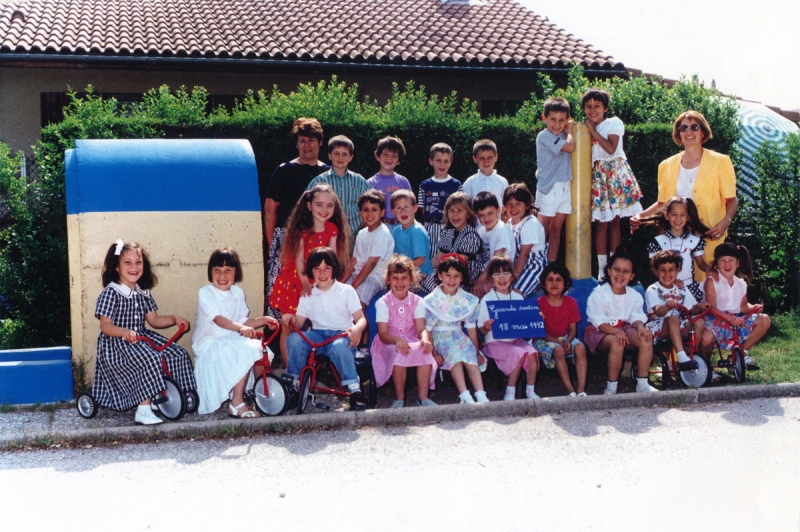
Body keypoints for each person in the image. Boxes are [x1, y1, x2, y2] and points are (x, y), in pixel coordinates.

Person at [93, 240, 196, 425]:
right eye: (127, 263)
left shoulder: (143, 291)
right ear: (116, 267)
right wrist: (124, 331)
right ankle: (143, 409)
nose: (134, 267)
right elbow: (105, 326)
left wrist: (173, 318)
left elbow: (154, 320)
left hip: (141, 337)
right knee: (150, 358)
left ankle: (181, 395)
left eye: (138, 262)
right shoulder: (112, 292)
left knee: (176, 353)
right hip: (117, 343)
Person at [631, 110, 738, 272]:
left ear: (703, 132)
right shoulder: (666, 165)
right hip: (675, 239)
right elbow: (662, 203)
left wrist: (724, 224)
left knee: (708, 282)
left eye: (694, 127)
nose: (689, 132)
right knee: (677, 283)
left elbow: (732, 200)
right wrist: (640, 216)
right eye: (683, 128)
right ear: (678, 134)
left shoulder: (720, 161)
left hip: (710, 235)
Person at [268, 185, 349, 366]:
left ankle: (308, 371)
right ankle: (291, 371)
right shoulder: (302, 230)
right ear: (309, 205)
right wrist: (305, 280)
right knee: (289, 327)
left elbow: (332, 256)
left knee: (312, 326)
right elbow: (298, 260)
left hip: (316, 279)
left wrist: (331, 281)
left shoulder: (332, 229)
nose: (324, 210)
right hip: (295, 279)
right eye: (319, 205)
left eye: (329, 206)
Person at [192, 248, 279, 417]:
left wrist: (262, 320)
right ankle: (236, 403)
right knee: (244, 350)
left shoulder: (238, 293)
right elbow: (218, 319)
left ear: (235, 272)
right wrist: (240, 328)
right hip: (210, 343)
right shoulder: (206, 292)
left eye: (228, 271)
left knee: (261, 348)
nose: (222, 276)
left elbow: (243, 321)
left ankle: (259, 392)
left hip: (230, 339)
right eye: (217, 270)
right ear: (210, 272)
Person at [283, 247, 369, 411]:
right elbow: (299, 323)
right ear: (311, 271)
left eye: (326, 268)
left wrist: (358, 328)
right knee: (294, 339)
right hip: (317, 336)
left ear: (334, 269)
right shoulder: (308, 293)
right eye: (317, 269)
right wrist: (290, 318)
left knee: (339, 347)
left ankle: (354, 389)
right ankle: (293, 384)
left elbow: (361, 318)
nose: (322, 274)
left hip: (341, 334)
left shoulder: (346, 291)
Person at [263, 118, 329, 317]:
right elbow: (269, 210)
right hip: (288, 239)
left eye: (311, 140)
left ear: (320, 142)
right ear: (296, 143)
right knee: (284, 296)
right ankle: (277, 342)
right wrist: (272, 246)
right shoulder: (284, 171)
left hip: (320, 239)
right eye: (302, 140)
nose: (306, 145)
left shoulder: (328, 172)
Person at [582, 89, 643, 280]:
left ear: (605, 108)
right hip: (598, 178)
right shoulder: (584, 126)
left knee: (615, 223)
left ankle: (615, 267)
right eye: (588, 106)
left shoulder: (613, 123)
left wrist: (593, 132)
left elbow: (610, 149)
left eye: (597, 106)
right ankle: (602, 271)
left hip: (615, 176)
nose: (593, 110)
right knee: (601, 224)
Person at [584, 245, 657, 395]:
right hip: (600, 332)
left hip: (624, 329)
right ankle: (611, 387)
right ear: (609, 270)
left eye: (626, 272)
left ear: (632, 276)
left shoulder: (634, 295)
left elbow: (635, 317)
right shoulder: (598, 294)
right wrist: (617, 331)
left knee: (645, 338)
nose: (620, 275)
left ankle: (642, 384)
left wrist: (641, 327)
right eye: (616, 270)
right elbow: (599, 322)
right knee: (617, 341)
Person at [370, 255, 439, 408]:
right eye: (395, 278)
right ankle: (399, 398)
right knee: (399, 351)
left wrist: (425, 339)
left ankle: (423, 397)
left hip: (411, 337)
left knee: (424, 350)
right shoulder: (383, 302)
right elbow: (383, 334)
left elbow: (421, 328)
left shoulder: (417, 301)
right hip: (388, 340)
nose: (400, 282)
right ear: (388, 279)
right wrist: (397, 340)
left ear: (411, 279)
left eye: (404, 278)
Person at [423, 254, 488, 404]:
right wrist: (434, 351)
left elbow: (471, 327)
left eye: (456, 276)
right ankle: (464, 394)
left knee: (470, 358)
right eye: (448, 275)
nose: (452, 280)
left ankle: (480, 394)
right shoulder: (431, 300)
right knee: (456, 357)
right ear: (440, 276)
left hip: (459, 337)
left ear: (462, 278)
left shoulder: (467, 299)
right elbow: (427, 329)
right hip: (439, 339)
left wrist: (476, 351)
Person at [478, 256, 540, 401]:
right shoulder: (487, 299)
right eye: (497, 274)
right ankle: (510, 392)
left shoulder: (518, 298)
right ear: (491, 278)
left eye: (506, 273)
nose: (502, 278)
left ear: (512, 277)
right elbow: (481, 330)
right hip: (495, 342)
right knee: (518, 353)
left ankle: (530, 391)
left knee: (532, 353)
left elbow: (524, 325)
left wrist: (536, 319)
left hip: (515, 339)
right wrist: (486, 327)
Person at [701, 243, 770, 372]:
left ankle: (740, 353)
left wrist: (753, 307)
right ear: (717, 263)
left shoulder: (740, 283)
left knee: (764, 319)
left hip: (734, 320)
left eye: (731, 260)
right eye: (723, 260)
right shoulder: (712, 282)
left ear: (737, 263)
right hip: (715, 318)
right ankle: (706, 366)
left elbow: (743, 307)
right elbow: (710, 308)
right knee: (706, 339)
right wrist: (729, 319)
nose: (727, 264)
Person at [644, 250, 712, 373]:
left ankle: (689, 354)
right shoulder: (653, 289)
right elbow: (658, 312)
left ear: (677, 270)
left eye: (671, 269)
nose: (667, 274)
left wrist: (699, 306)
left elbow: (691, 309)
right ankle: (681, 357)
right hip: (659, 328)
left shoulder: (681, 288)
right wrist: (667, 306)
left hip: (679, 325)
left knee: (699, 323)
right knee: (673, 318)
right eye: (662, 270)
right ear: (656, 271)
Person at [342, 190, 395, 341]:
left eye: (374, 210)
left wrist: (352, 286)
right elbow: (354, 262)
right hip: (359, 273)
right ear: (360, 212)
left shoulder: (382, 233)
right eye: (365, 210)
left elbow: (371, 264)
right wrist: (341, 282)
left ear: (382, 212)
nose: (369, 214)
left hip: (375, 276)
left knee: (358, 303)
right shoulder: (362, 233)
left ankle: (363, 344)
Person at [642, 196, 711, 301]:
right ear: (666, 215)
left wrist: (709, 270)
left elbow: (700, 263)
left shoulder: (694, 240)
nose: (678, 219)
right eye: (674, 214)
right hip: (666, 288)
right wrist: (670, 280)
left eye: (682, 215)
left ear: (688, 217)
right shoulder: (658, 242)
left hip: (689, 287)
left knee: (693, 313)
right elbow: (653, 268)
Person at [534, 262, 588, 397]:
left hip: (565, 338)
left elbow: (573, 329)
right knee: (558, 350)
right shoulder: (539, 303)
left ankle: (581, 390)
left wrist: (568, 340)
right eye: (550, 280)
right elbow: (540, 332)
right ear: (543, 283)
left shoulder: (571, 302)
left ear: (566, 284)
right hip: (544, 339)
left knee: (580, 348)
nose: (554, 284)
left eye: (559, 280)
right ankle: (570, 390)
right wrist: (559, 343)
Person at [306, 135, 372, 238]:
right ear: (329, 155)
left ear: (351, 157)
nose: (340, 157)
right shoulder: (319, 181)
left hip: (354, 235)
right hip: (325, 235)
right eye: (336, 153)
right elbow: (306, 204)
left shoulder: (359, 180)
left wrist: (366, 222)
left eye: (345, 154)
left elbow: (373, 202)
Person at [536, 97, 575, 263]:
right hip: (548, 189)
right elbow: (570, 147)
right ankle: (536, 262)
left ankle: (550, 265)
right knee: (541, 230)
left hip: (564, 188)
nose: (557, 124)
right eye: (552, 119)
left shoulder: (560, 135)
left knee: (556, 231)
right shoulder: (544, 136)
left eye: (561, 120)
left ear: (567, 120)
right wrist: (570, 132)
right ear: (544, 118)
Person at [421, 191, 483, 293]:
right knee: (419, 279)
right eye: (451, 210)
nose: (455, 214)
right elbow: (438, 258)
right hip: (447, 274)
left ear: (468, 214)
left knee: (429, 283)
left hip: (462, 280)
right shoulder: (449, 232)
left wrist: (437, 276)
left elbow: (458, 264)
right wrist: (423, 271)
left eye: (460, 211)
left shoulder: (471, 235)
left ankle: (441, 298)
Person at [503, 183, 547, 298]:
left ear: (527, 205)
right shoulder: (509, 223)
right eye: (509, 204)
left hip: (533, 266)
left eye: (518, 204)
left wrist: (514, 277)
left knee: (515, 294)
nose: (513, 209)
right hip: (516, 264)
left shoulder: (530, 224)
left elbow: (524, 254)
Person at [418, 143, 462, 256]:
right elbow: (423, 210)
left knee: (448, 260)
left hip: (450, 227)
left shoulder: (456, 185)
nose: (442, 164)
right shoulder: (424, 185)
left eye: (446, 161)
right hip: (430, 228)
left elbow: (460, 209)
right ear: (431, 161)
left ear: (451, 162)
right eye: (438, 160)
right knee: (430, 257)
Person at [472, 191, 514, 297]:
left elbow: (495, 259)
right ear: (476, 215)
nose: (486, 218)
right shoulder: (481, 231)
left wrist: (480, 281)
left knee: (477, 293)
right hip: (486, 273)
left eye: (490, 213)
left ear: (498, 210)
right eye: (482, 215)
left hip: (500, 274)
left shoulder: (502, 229)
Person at [390, 189, 434, 284]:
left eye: (407, 207)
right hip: (405, 275)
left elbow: (420, 260)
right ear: (393, 212)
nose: (403, 211)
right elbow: (395, 256)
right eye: (398, 208)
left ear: (415, 208)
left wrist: (401, 272)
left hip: (422, 277)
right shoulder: (396, 231)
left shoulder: (417, 230)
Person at [461, 139, 509, 220]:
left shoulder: (502, 182)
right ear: (475, 159)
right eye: (482, 158)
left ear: (496, 157)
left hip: (498, 228)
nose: (486, 162)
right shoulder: (470, 182)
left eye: (489, 157)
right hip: (477, 229)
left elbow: (506, 208)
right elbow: (466, 208)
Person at [369, 136, 412, 224]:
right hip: (378, 227)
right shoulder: (370, 183)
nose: (389, 158)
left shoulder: (403, 182)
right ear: (377, 156)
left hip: (400, 227)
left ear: (398, 161)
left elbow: (410, 208)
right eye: (385, 154)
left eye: (394, 156)